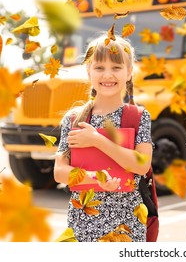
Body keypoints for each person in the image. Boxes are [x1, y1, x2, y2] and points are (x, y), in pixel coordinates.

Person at [54, 34, 153, 242]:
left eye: (116, 68)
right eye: (99, 68)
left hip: (128, 223)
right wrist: (97, 178)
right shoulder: (73, 119)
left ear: (129, 72)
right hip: (83, 222)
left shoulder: (138, 116)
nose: (108, 75)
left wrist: (97, 140)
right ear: (89, 72)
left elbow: (142, 165)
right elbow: (60, 172)